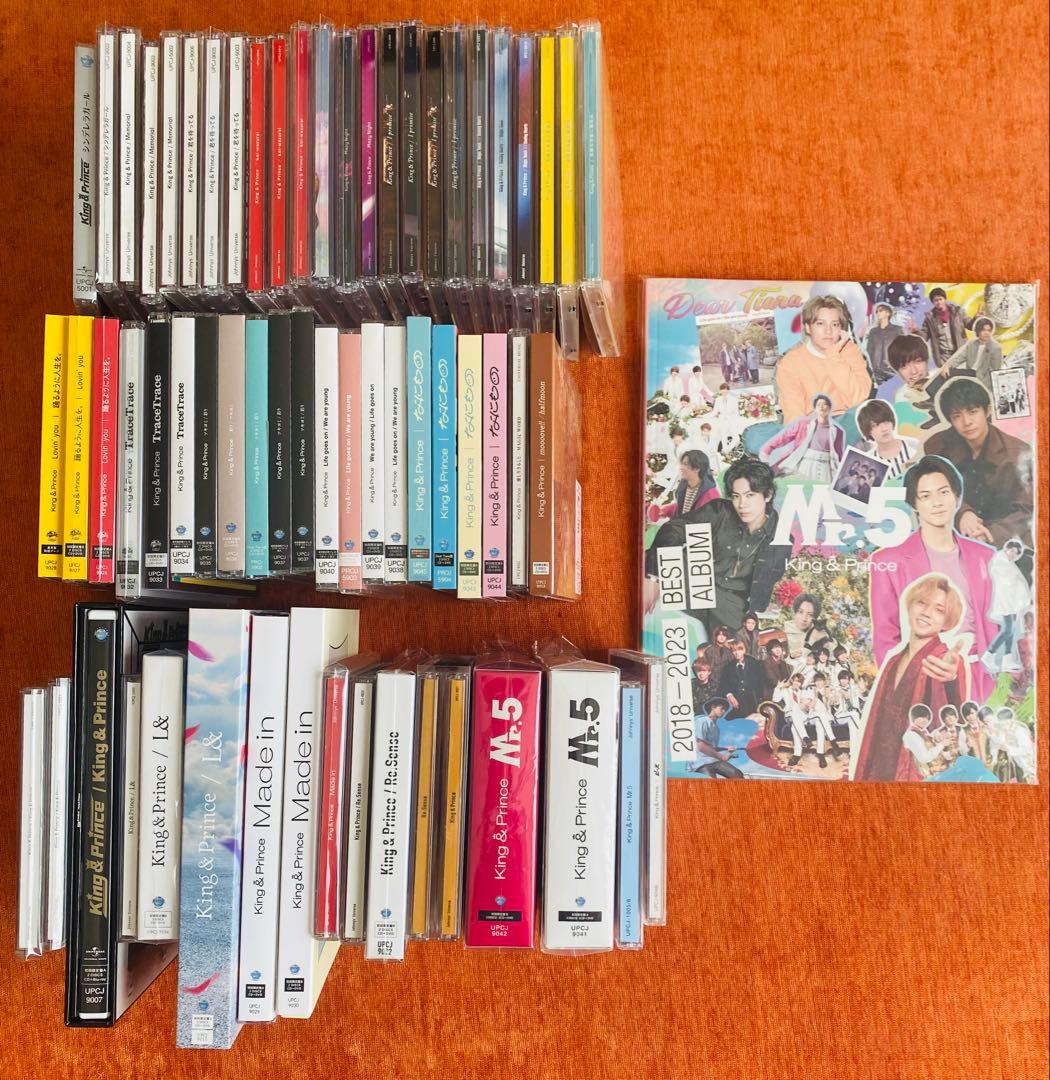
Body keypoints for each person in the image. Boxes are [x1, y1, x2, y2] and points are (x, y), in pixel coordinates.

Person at [870, 455, 998, 701]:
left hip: (979, 681)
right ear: (914, 504)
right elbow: (886, 638)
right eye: (925, 496)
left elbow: (999, 627)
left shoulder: (986, 557)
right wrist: (907, 690)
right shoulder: (887, 561)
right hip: (920, 685)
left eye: (943, 492)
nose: (937, 503)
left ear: (957, 497)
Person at [643, 457, 791, 637]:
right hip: (692, 582)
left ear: (767, 495)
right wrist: (654, 577)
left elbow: (764, 586)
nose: (742, 504)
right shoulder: (720, 511)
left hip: (727, 606)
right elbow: (675, 529)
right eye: (736, 496)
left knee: (732, 645)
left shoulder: (781, 539)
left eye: (750, 495)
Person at [854, 573, 969, 781]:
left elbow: (955, 713)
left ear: (947, 621)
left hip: (913, 773)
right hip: (880, 770)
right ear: (910, 606)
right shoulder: (894, 661)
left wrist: (951, 681)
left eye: (939, 609)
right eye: (921, 602)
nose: (926, 612)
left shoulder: (943, 659)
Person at [924, 377, 1033, 549]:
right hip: (955, 533)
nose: (966, 422)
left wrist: (990, 534)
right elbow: (934, 489)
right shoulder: (937, 446)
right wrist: (962, 512)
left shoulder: (1018, 453)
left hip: (1004, 537)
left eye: (973, 412)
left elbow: (1028, 509)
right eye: (957, 416)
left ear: (987, 411)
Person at [774, 295, 874, 423]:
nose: (828, 331)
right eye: (820, 323)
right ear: (808, 327)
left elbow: (858, 399)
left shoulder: (850, 351)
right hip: (811, 426)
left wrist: (832, 356)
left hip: (850, 423)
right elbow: (794, 414)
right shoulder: (790, 362)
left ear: (841, 329)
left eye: (835, 324)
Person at [759, 393, 845, 482]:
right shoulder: (803, 424)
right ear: (815, 408)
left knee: (823, 489)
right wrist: (766, 450)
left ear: (830, 408)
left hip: (825, 468)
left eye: (825, 404)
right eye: (819, 404)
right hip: (806, 464)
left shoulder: (837, 431)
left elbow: (839, 455)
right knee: (802, 487)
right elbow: (784, 437)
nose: (822, 407)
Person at [982, 539, 1030, 673]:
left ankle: (1007, 659)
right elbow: (1004, 579)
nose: (1013, 555)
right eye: (1012, 551)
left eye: (1016, 553)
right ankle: (989, 654)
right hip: (1004, 601)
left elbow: (1017, 581)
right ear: (1007, 549)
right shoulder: (1000, 560)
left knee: (1011, 629)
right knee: (1008, 629)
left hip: (1011, 601)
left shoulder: (1009, 564)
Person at [647, 449, 719, 523]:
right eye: (682, 464)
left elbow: (709, 525)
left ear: (697, 468)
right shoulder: (685, 486)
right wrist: (666, 511)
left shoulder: (711, 496)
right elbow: (682, 507)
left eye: (685, 464)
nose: (681, 467)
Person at [854, 399, 920, 479]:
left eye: (886, 422)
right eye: (875, 425)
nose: (884, 429)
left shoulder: (915, 446)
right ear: (868, 431)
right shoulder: (871, 462)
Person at [937, 316, 1003, 392]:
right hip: (969, 373)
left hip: (982, 380)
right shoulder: (972, 343)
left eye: (989, 330)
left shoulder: (996, 348)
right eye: (983, 330)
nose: (986, 333)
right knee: (944, 372)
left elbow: (995, 371)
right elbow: (959, 358)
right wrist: (947, 366)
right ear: (978, 331)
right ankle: (930, 394)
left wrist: (980, 385)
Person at [687, 697, 744, 778]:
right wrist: (722, 756)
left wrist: (726, 748)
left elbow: (712, 748)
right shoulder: (702, 721)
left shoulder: (717, 728)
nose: (724, 711)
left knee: (737, 774)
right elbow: (700, 746)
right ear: (713, 707)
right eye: (722, 708)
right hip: (700, 763)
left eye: (725, 710)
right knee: (711, 784)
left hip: (714, 760)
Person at [916, 287, 974, 366]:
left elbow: (970, 325)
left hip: (960, 352)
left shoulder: (957, 312)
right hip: (944, 357)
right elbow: (924, 336)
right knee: (948, 374)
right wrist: (915, 331)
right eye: (936, 300)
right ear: (933, 302)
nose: (939, 302)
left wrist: (977, 318)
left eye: (940, 299)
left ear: (945, 299)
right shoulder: (930, 318)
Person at [786, 688, 839, 769]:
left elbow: (825, 716)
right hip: (802, 720)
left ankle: (822, 753)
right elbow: (789, 714)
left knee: (820, 722)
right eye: (806, 699)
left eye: (810, 699)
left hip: (813, 719)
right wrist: (802, 707)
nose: (808, 701)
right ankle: (799, 750)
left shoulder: (817, 701)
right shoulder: (797, 702)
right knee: (794, 725)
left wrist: (813, 708)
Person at [880, 333, 934, 406]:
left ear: (926, 360)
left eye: (917, 362)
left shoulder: (943, 375)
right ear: (897, 371)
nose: (914, 371)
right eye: (904, 366)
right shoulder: (902, 398)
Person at [718, 637, 768, 716]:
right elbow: (724, 685)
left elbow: (761, 683)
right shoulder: (727, 668)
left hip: (754, 702)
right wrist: (729, 695)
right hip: (737, 705)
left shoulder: (755, 664)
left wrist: (761, 701)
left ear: (744, 650)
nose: (737, 653)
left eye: (739, 650)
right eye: (734, 651)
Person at [899, 705, 951, 780]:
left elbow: (932, 751)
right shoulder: (911, 735)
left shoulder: (923, 733)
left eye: (927, 718)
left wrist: (937, 741)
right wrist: (941, 745)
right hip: (920, 777)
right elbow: (924, 758)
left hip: (933, 774)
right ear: (913, 718)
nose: (925, 720)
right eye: (921, 717)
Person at [782, 593, 831, 659]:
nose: (804, 618)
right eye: (800, 612)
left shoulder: (820, 635)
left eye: (810, 615)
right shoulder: (783, 633)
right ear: (795, 612)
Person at [864, 301, 903, 384]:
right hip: (876, 373)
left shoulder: (897, 330)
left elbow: (903, 350)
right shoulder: (873, 332)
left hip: (893, 372)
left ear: (888, 313)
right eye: (876, 311)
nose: (878, 313)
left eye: (880, 310)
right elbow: (869, 351)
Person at [829, 668, 863, 739]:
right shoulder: (836, 689)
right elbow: (831, 703)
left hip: (852, 715)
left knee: (852, 722)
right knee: (853, 714)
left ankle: (854, 743)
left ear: (849, 680)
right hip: (840, 716)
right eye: (842, 679)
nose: (844, 681)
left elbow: (863, 697)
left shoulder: (854, 688)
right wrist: (837, 695)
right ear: (839, 680)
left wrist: (861, 688)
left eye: (846, 679)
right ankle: (863, 733)